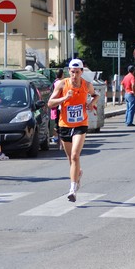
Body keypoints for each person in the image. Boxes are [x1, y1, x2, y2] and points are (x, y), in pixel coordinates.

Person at [48, 58, 99, 202]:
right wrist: (64, 98)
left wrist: (91, 103)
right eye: (72, 72)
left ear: (82, 72)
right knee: (71, 159)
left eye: (77, 72)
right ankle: (78, 174)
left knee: (75, 156)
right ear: (68, 72)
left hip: (80, 124)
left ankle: (72, 189)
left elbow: (96, 95)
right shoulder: (62, 84)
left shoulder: (86, 85)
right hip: (64, 125)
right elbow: (50, 103)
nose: (74, 75)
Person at [49, 68, 64, 144]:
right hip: (58, 105)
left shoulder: (54, 82)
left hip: (54, 105)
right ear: (62, 74)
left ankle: (56, 137)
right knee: (58, 122)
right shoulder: (60, 83)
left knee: (56, 122)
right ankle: (58, 138)